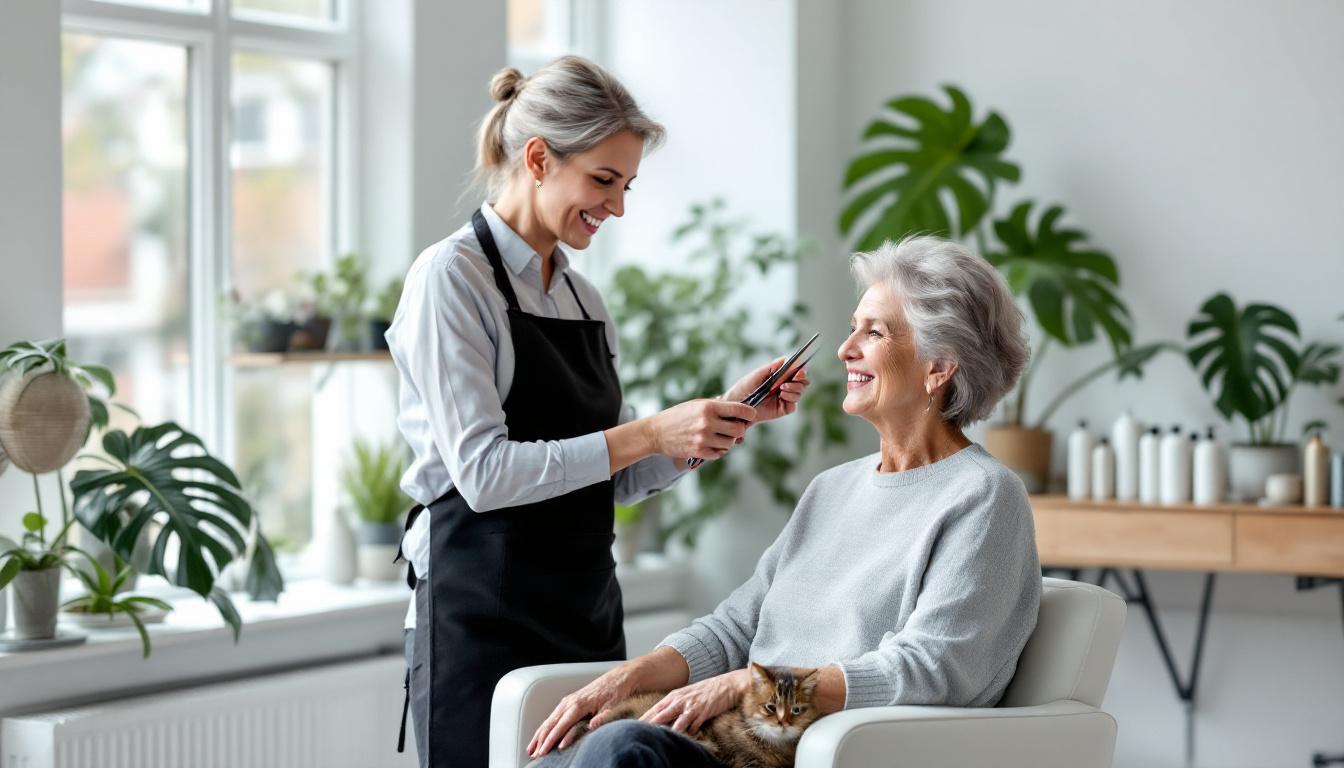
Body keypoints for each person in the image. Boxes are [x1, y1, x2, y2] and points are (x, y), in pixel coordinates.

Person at [386, 55, 811, 768]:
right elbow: (485, 474)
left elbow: (609, 479)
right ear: (537, 159)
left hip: (583, 615)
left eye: (626, 185)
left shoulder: (584, 300)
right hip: (478, 620)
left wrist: (714, 425)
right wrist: (648, 430)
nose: (616, 207)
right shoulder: (451, 280)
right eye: (603, 181)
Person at [528, 235, 1041, 768]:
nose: (846, 350)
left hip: (808, 753)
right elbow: (736, 627)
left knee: (622, 750)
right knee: (569, 750)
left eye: (875, 332)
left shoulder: (983, 496)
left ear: (938, 367)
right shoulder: (831, 489)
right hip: (732, 741)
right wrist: (625, 676)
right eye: (852, 330)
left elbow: (933, 667)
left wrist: (749, 687)